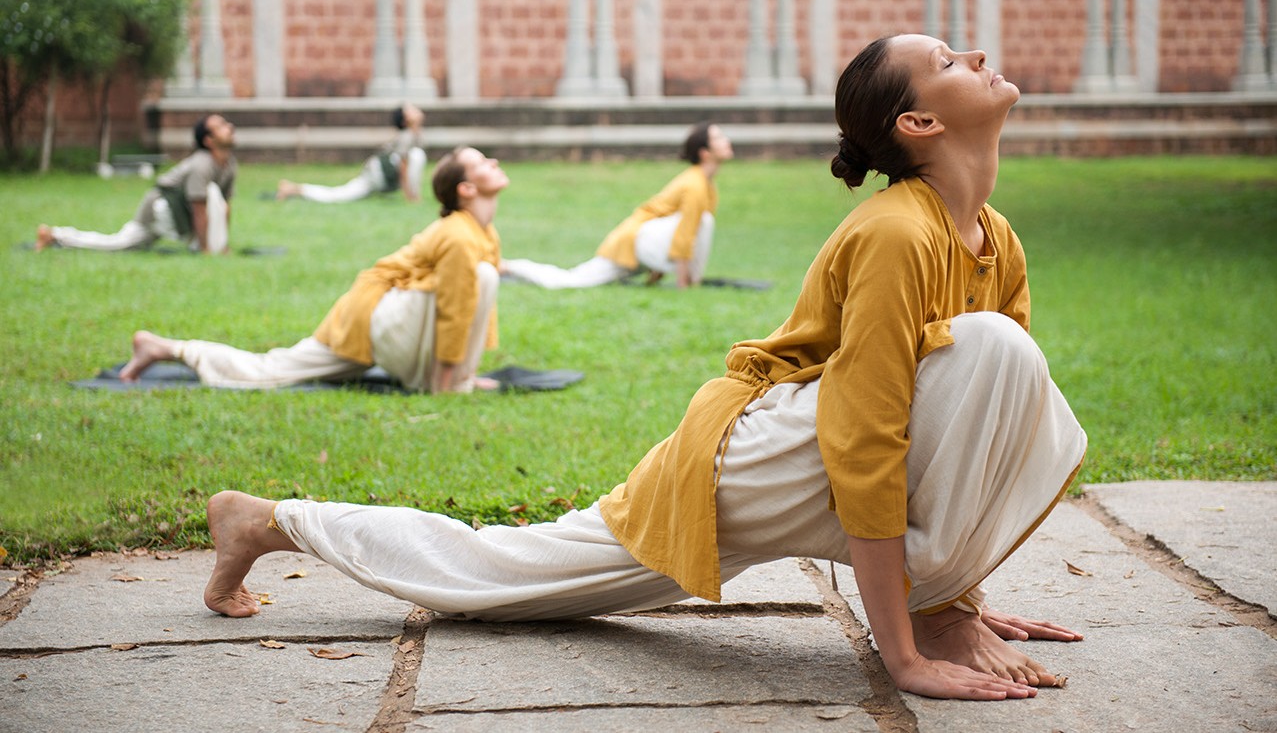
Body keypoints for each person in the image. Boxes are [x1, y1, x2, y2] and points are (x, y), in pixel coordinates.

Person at [199, 35, 1088, 702]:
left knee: (1015, 372)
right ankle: (268, 521)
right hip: (759, 458)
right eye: (946, 57)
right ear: (918, 122)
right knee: (500, 575)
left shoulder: (992, 237)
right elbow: (865, 432)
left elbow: (974, 435)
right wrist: (904, 654)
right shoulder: (896, 230)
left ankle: (939, 608)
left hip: (820, 460)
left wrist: (953, 598)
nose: (973, 53)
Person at [119, 146, 506, 394]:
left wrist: (464, 373)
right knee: (484, 277)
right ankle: (454, 381)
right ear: (466, 189)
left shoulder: (480, 230)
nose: (494, 162)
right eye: (482, 163)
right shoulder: (458, 235)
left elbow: (468, 307)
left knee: (273, 368)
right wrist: (443, 386)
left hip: (393, 320)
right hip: (378, 318)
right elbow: (455, 309)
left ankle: (168, 348)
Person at [501, 122, 732, 289]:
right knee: (571, 280)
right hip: (634, 241)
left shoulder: (703, 182)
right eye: (719, 138)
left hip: (644, 243)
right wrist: (684, 284)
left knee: (575, 278)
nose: (727, 141)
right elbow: (683, 235)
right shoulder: (695, 185)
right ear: (704, 152)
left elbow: (680, 229)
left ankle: (512, 267)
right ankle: (511, 266)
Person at [36, 114, 237, 254]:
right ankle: (55, 235)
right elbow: (199, 208)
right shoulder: (201, 165)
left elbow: (224, 207)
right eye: (221, 126)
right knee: (118, 244)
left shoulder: (229, 164)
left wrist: (223, 244)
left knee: (124, 246)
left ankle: (55, 236)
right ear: (209, 140)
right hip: (161, 207)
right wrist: (206, 250)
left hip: (180, 212)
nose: (229, 127)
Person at [275, 103, 428, 204]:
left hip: (377, 172)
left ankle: (294, 189)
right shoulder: (406, 137)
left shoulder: (411, 135)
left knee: (340, 194)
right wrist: (411, 197)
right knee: (339, 195)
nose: (416, 110)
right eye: (411, 109)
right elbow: (403, 165)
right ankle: (293, 189)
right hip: (378, 173)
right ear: (405, 120)